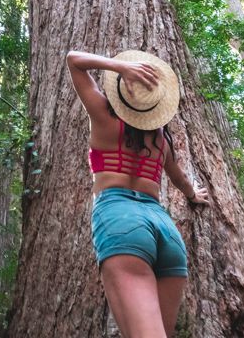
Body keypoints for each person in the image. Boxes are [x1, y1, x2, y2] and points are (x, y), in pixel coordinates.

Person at [66, 49, 210, 338]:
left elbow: (73, 60)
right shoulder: (161, 141)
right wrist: (193, 195)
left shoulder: (104, 117)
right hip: (165, 229)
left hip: (120, 219)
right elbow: (178, 177)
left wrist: (120, 67)